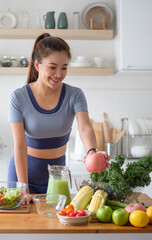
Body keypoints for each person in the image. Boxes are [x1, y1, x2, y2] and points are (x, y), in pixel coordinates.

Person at [8, 32, 102, 204]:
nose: (59, 74)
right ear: (37, 65)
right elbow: (20, 146)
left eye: (64, 68)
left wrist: (92, 152)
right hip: (22, 177)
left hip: (57, 178)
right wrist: (24, 189)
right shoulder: (19, 97)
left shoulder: (74, 94)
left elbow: (85, 128)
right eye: (52, 67)